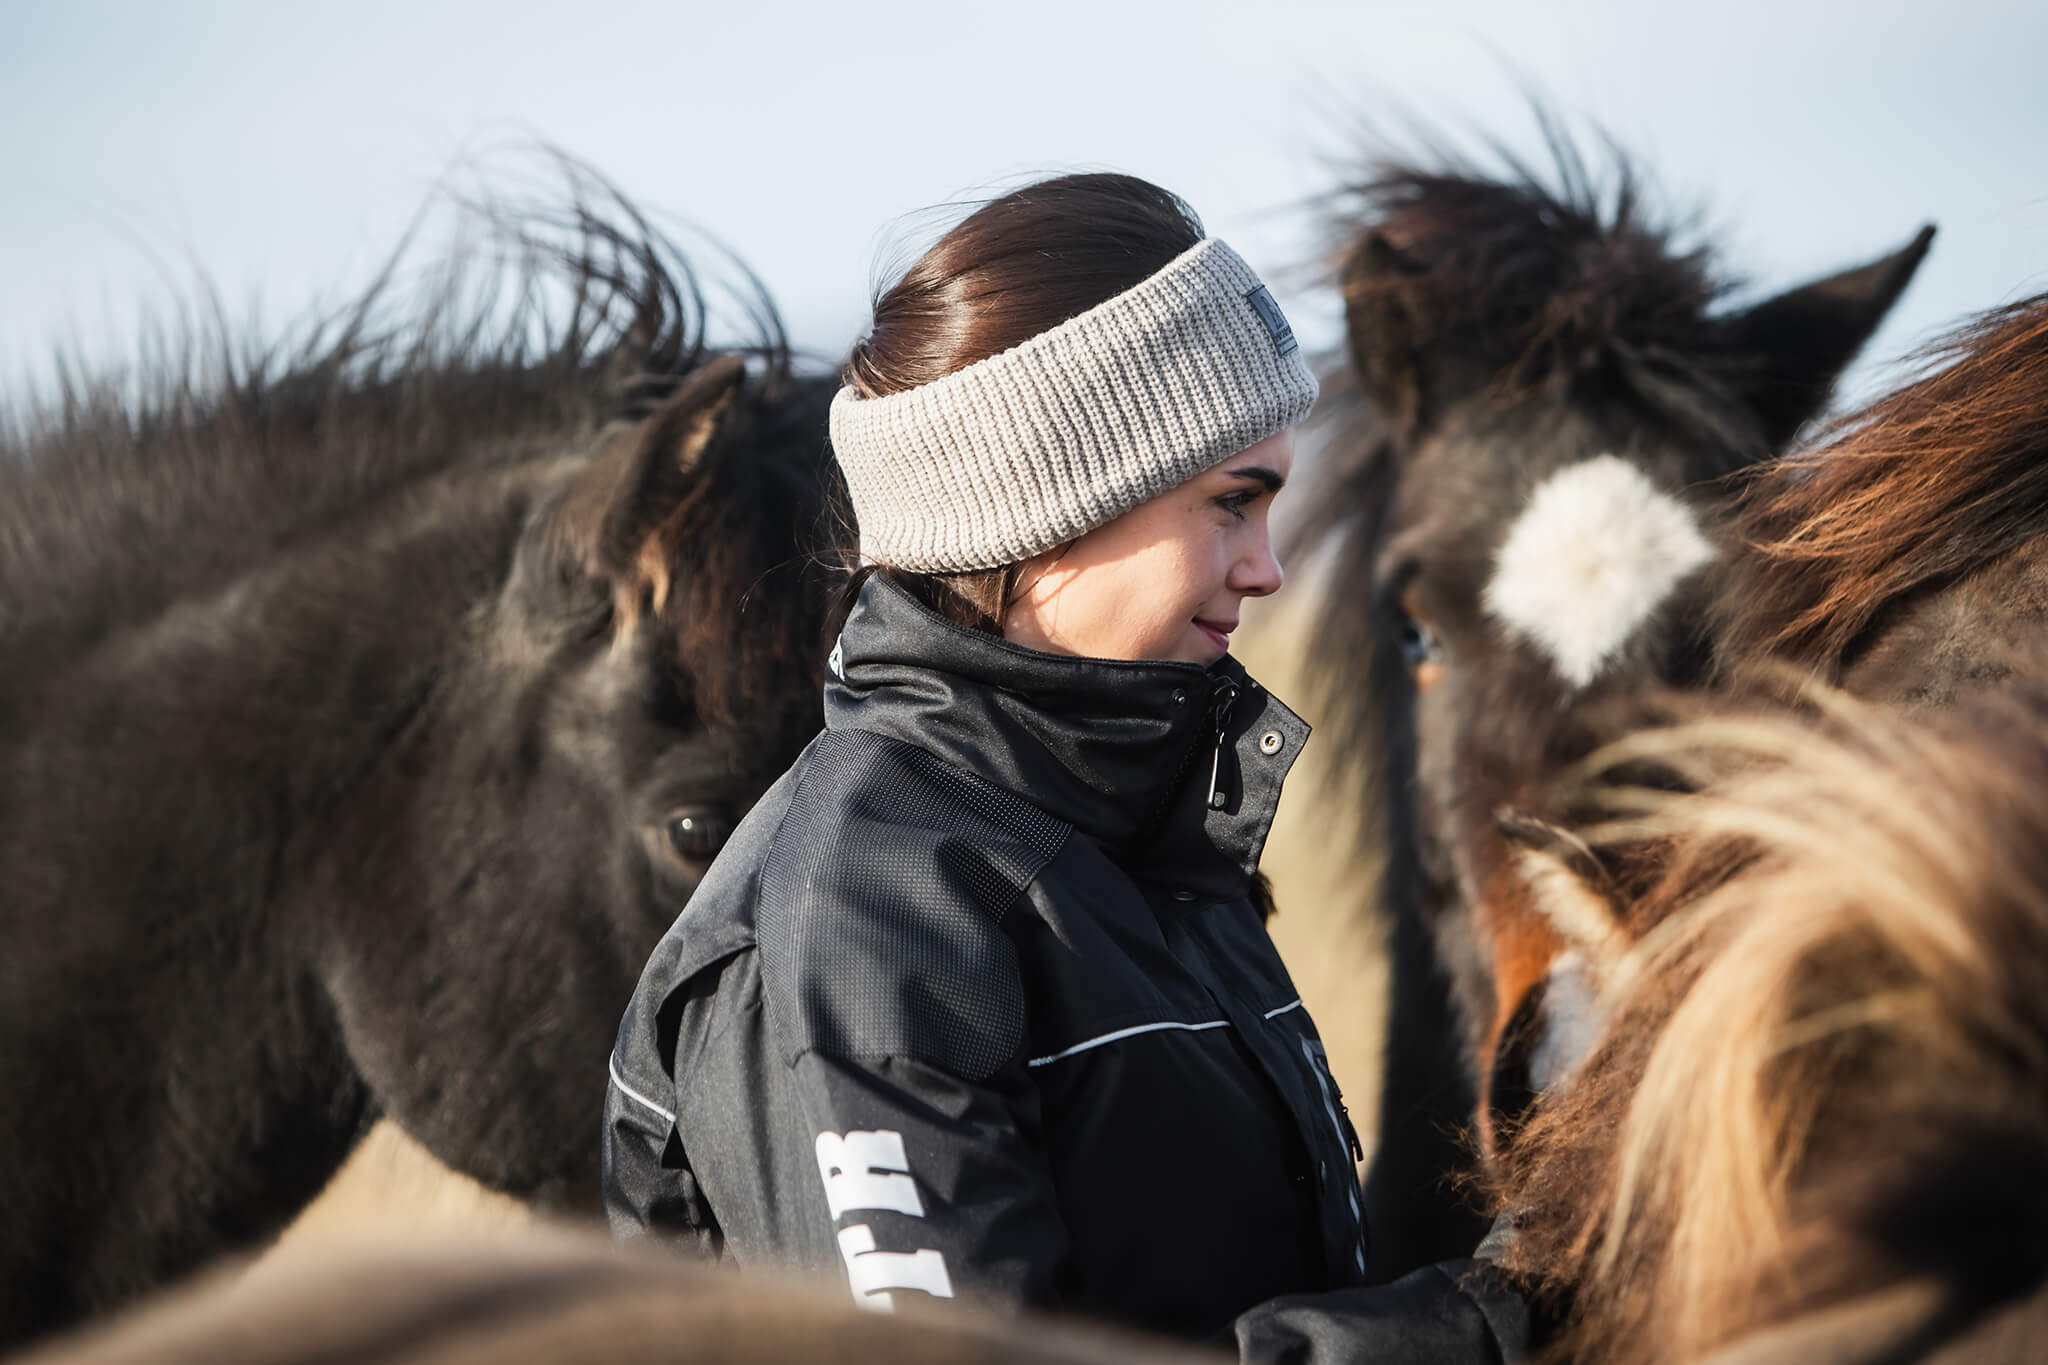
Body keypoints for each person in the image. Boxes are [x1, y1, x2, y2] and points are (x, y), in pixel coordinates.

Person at [602, 173, 1527, 1359]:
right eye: (1230, 504)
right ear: (1042, 513)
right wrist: (1467, 1336)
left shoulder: (1137, 842)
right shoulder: (858, 923)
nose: (1266, 569)